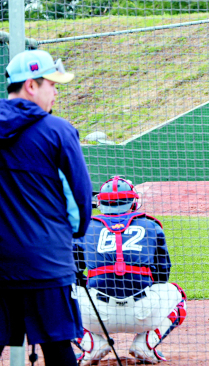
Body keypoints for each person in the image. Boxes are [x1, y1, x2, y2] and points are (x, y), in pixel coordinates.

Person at [0, 50, 93, 365]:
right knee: (57, 348)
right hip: (46, 263)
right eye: (51, 84)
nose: (55, 91)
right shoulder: (59, 131)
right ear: (30, 85)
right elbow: (80, 203)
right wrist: (73, 234)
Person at [73, 176, 187, 365]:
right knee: (177, 294)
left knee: (54, 298)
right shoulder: (151, 224)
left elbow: (74, 271)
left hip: (94, 314)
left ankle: (90, 343)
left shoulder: (85, 226)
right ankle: (147, 343)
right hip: (143, 312)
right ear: (133, 202)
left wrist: (94, 282)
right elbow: (162, 273)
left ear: (100, 202)